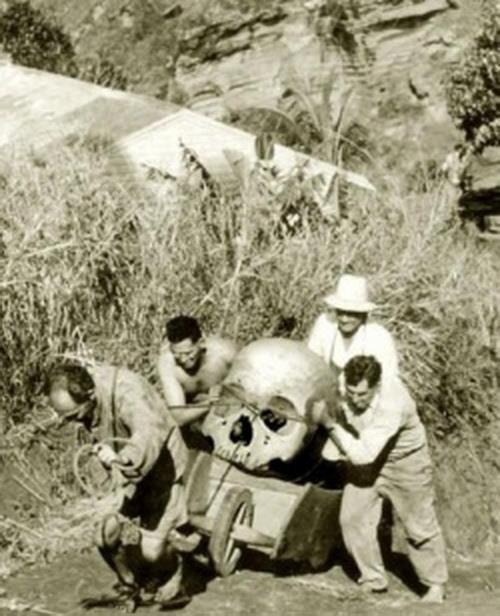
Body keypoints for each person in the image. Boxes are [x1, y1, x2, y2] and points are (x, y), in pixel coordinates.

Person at [45, 362, 192, 608]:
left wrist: (123, 458)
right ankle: (128, 584)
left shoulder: (128, 391)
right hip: (122, 469)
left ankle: (177, 565)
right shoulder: (87, 396)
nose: (73, 422)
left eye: (74, 415)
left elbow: (148, 433)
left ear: (90, 396)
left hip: (161, 468)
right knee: (104, 535)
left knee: (152, 552)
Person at [320, 355, 448, 603]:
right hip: (369, 458)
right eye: (351, 392)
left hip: (405, 464)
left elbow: (363, 455)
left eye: (362, 395)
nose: (355, 399)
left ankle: (435, 585)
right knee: (352, 517)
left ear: (376, 386)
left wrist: (329, 424)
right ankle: (373, 578)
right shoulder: (343, 384)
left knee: (418, 525)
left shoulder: (393, 402)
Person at [307, 274, 399, 381]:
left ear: (363, 313)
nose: (344, 319)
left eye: (351, 313)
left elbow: (389, 380)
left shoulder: (380, 338)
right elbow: (310, 363)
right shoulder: (325, 323)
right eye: (340, 311)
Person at [157, 315, 239, 427]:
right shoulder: (168, 364)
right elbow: (178, 417)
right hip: (195, 423)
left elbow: (254, 383)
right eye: (177, 354)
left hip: (233, 414)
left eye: (188, 353)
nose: (183, 359)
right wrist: (211, 403)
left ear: (201, 343)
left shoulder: (225, 352)